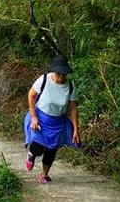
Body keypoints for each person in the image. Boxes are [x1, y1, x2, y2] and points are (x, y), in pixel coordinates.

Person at [23, 54, 81, 183]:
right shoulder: (44, 80)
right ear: (53, 71)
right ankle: (31, 155)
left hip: (58, 122)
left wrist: (76, 129)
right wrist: (34, 116)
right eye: (58, 74)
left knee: (52, 149)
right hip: (41, 118)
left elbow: (73, 108)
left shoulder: (70, 86)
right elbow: (31, 95)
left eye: (64, 74)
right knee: (38, 147)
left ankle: (44, 175)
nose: (61, 77)